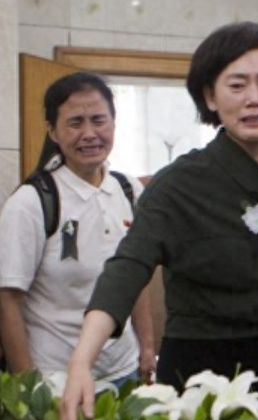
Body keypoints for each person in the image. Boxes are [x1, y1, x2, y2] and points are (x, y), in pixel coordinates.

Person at [59, 22, 258, 420]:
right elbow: (127, 269)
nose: (254, 98)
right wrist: (81, 361)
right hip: (202, 373)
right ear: (210, 96)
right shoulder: (178, 185)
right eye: (236, 85)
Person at [0, 72, 154, 385]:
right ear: (52, 131)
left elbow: (134, 278)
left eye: (99, 120)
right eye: (75, 123)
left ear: (113, 123)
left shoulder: (128, 191)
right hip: (56, 378)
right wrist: (28, 388)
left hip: (124, 372)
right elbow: (8, 299)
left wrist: (147, 348)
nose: (89, 133)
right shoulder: (31, 203)